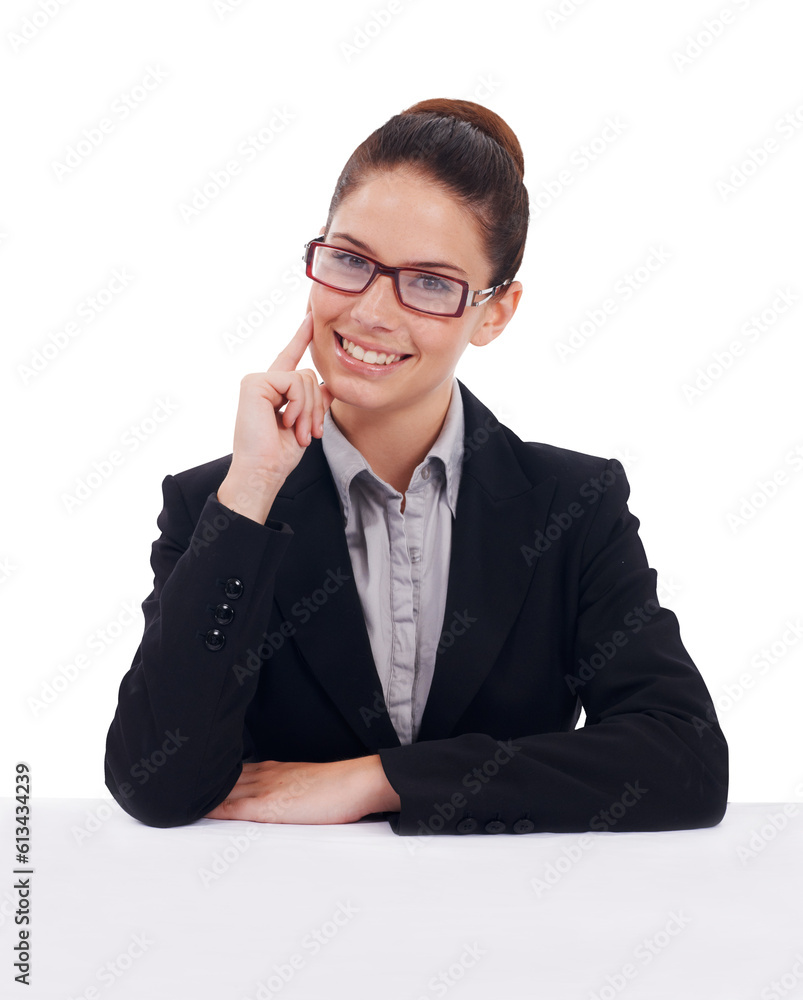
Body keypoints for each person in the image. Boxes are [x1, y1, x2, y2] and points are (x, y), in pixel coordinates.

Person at [104, 98, 728, 836]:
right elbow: (156, 783)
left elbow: (682, 760)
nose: (372, 310)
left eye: (430, 282)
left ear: (494, 313)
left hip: (523, 932)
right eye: (349, 260)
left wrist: (381, 781)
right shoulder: (217, 502)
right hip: (267, 924)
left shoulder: (571, 504)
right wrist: (250, 492)